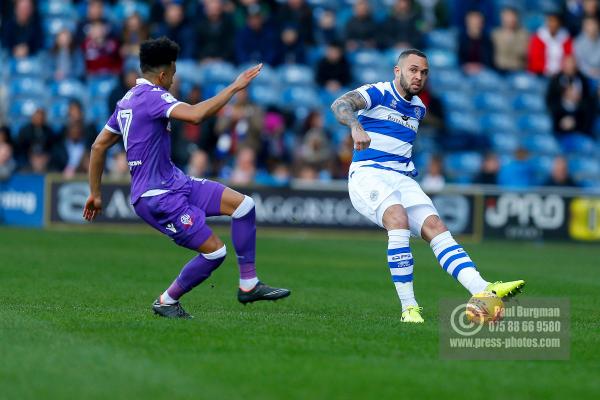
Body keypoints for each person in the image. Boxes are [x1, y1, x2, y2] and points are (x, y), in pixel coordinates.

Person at [83, 37, 290, 319]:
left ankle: (249, 284)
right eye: (174, 74)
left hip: (175, 183)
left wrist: (95, 193)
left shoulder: (127, 101)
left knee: (244, 206)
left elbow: (98, 146)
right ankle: (167, 301)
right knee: (215, 253)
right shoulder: (153, 96)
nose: (174, 80)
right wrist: (234, 87)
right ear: (163, 74)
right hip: (158, 198)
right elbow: (195, 116)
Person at [330, 49, 524, 323]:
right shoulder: (378, 92)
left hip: (401, 177)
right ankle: (409, 308)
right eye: (412, 70)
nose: (418, 76)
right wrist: (354, 126)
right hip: (368, 174)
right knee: (397, 219)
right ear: (397, 71)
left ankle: (483, 289)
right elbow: (340, 104)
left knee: (437, 228)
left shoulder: (419, 108)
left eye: (423, 72)